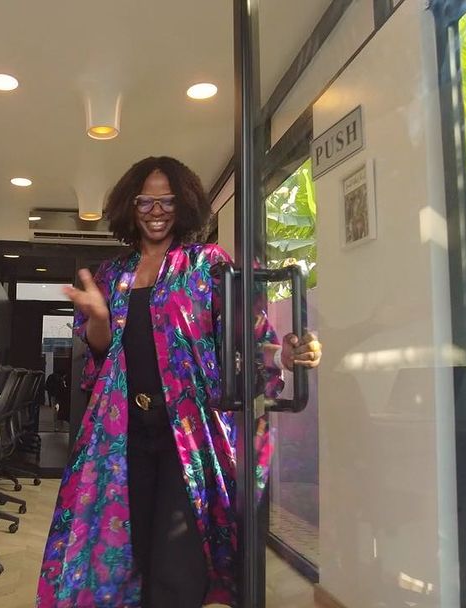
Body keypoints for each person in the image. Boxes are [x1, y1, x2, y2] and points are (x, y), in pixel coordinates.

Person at [36, 156, 322, 608]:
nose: (156, 211)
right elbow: (99, 351)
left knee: (178, 558)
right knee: (128, 547)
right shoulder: (113, 274)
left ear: (184, 205)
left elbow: (246, 339)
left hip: (185, 432)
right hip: (119, 434)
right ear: (130, 206)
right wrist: (99, 316)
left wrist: (282, 354)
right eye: (145, 201)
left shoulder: (207, 264)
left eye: (167, 201)